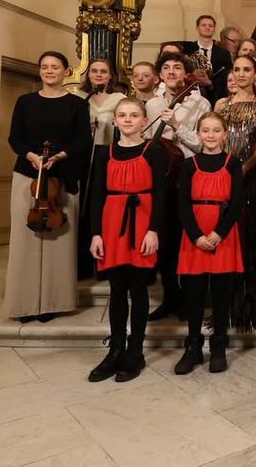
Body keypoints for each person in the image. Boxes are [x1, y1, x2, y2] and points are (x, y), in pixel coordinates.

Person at [5, 51, 91, 322]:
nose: (49, 71)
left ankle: (54, 302)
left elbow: (82, 140)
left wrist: (59, 156)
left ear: (67, 72)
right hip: (27, 175)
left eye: (55, 67)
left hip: (61, 177)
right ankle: (25, 304)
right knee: (25, 241)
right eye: (44, 67)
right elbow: (14, 138)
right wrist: (31, 156)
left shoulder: (76, 104)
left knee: (59, 242)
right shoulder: (25, 101)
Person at [87, 97, 166, 383]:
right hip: (112, 226)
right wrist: (96, 233)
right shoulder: (105, 153)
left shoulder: (153, 151)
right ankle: (115, 349)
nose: (128, 119)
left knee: (139, 289)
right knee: (117, 290)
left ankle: (135, 351)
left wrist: (154, 230)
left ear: (145, 121)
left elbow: (160, 194)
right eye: (123, 115)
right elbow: (96, 196)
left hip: (142, 225)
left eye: (134, 115)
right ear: (115, 121)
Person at [172, 112, 244, 375]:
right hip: (195, 235)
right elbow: (181, 205)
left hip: (222, 234)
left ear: (225, 134)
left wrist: (219, 233)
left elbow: (236, 204)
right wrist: (196, 236)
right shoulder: (189, 165)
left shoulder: (233, 163)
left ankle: (219, 345)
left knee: (221, 295)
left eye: (216, 130)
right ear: (198, 134)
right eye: (205, 130)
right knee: (194, 295)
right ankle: (193, 347)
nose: (211, 135)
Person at [145, 53, 211, 320]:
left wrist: (177, 125)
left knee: (189, 238)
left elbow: (202, 143)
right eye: (166, 67)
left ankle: (190, 298)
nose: (171, 71)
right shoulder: (151, 104)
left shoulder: (201, 103)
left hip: (188, 174)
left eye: (177, 67)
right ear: (160, 74)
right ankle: (170, 296)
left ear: (186, 74)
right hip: (160, 177)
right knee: (166, 240)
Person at [215, 55, 256, 332]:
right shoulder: (221, 105)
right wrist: (227, 169)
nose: (240, 74)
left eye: (246, 70)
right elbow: (215, 138)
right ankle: (227, 306)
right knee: (228, 239)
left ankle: (252, 305)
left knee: (252, 240)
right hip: (224, 179)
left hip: (255, 179)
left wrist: (246, 166)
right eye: (236, 69)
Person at [77, 58, 128, 279]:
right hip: (83, 155)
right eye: (94, 71)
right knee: (84, 207)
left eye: (103, 72)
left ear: (110, 76)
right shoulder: (79, 98)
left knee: (104, 206)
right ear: (88, 75)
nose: (99, 75)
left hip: (107, 155)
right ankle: (82, 263)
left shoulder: (119, 99)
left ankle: (105, 264)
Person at [183, 14, 233, 102]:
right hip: (190, 96)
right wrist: (193, 75)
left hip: (216, 97)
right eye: (204, 25)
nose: (207, 28)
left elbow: (227, 76)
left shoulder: (224, 53)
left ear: (214, 29)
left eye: (210, 26)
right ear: (197, 28)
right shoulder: (187, 50)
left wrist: (210, 83)